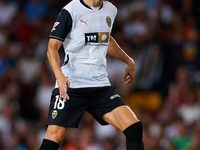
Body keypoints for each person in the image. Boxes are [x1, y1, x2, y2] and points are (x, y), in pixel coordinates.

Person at [39, 0, 144, 149]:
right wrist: (60, 75)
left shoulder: (110, 9)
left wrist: (128, 61)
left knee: (134, 127)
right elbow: (52, 47)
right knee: (53, 139)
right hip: (72, 84)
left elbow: (105, 38)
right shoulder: (70, 10)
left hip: (100, 86)